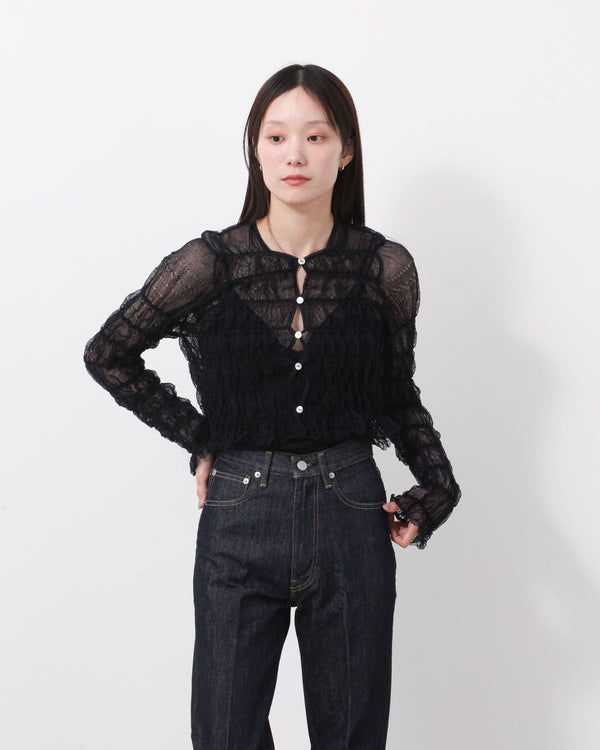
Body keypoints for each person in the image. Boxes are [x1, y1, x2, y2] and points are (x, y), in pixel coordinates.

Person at [83, 63, 461, 750]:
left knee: (352, 737)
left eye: (316, 136)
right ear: (255, 150)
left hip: (351, 513)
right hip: (239, 513)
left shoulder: (384, 269)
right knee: (224, 734)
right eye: (277, 136)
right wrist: (203, 438)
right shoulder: (210, 264)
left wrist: (438, 485)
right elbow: (109, 353)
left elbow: (395, 393)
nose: (295, 155)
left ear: (345, 151)